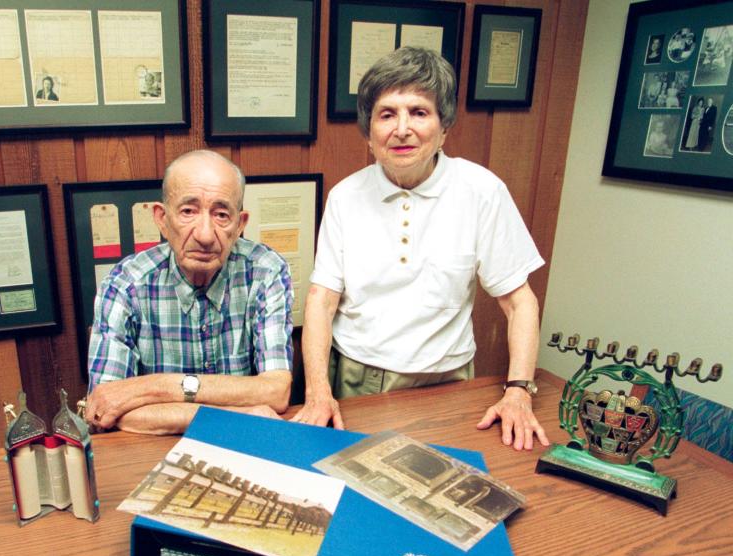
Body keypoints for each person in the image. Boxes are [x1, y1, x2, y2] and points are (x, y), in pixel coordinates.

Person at [292, 47, 548, 451]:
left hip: (448, 379)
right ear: (369, 131)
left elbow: (519, 302)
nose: (402, 128)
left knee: (444, 494)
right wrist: (318, 391)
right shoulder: (345, 196)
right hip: (360, 378)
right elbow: (321, 301)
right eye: (387, 114)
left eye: (419, 112)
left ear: (444, 128)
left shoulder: (482, 191)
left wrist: (519, 390)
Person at [84, 150, 294, 434]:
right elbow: (105, 408)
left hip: (244, 442)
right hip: (152, 451)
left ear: (240, 225)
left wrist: (153, 388)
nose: (205, 235)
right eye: (188, 211)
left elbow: (276, 391)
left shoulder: (266, 271)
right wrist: (239, 414)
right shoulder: (125, 283)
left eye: (221, 215)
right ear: (162, 218)